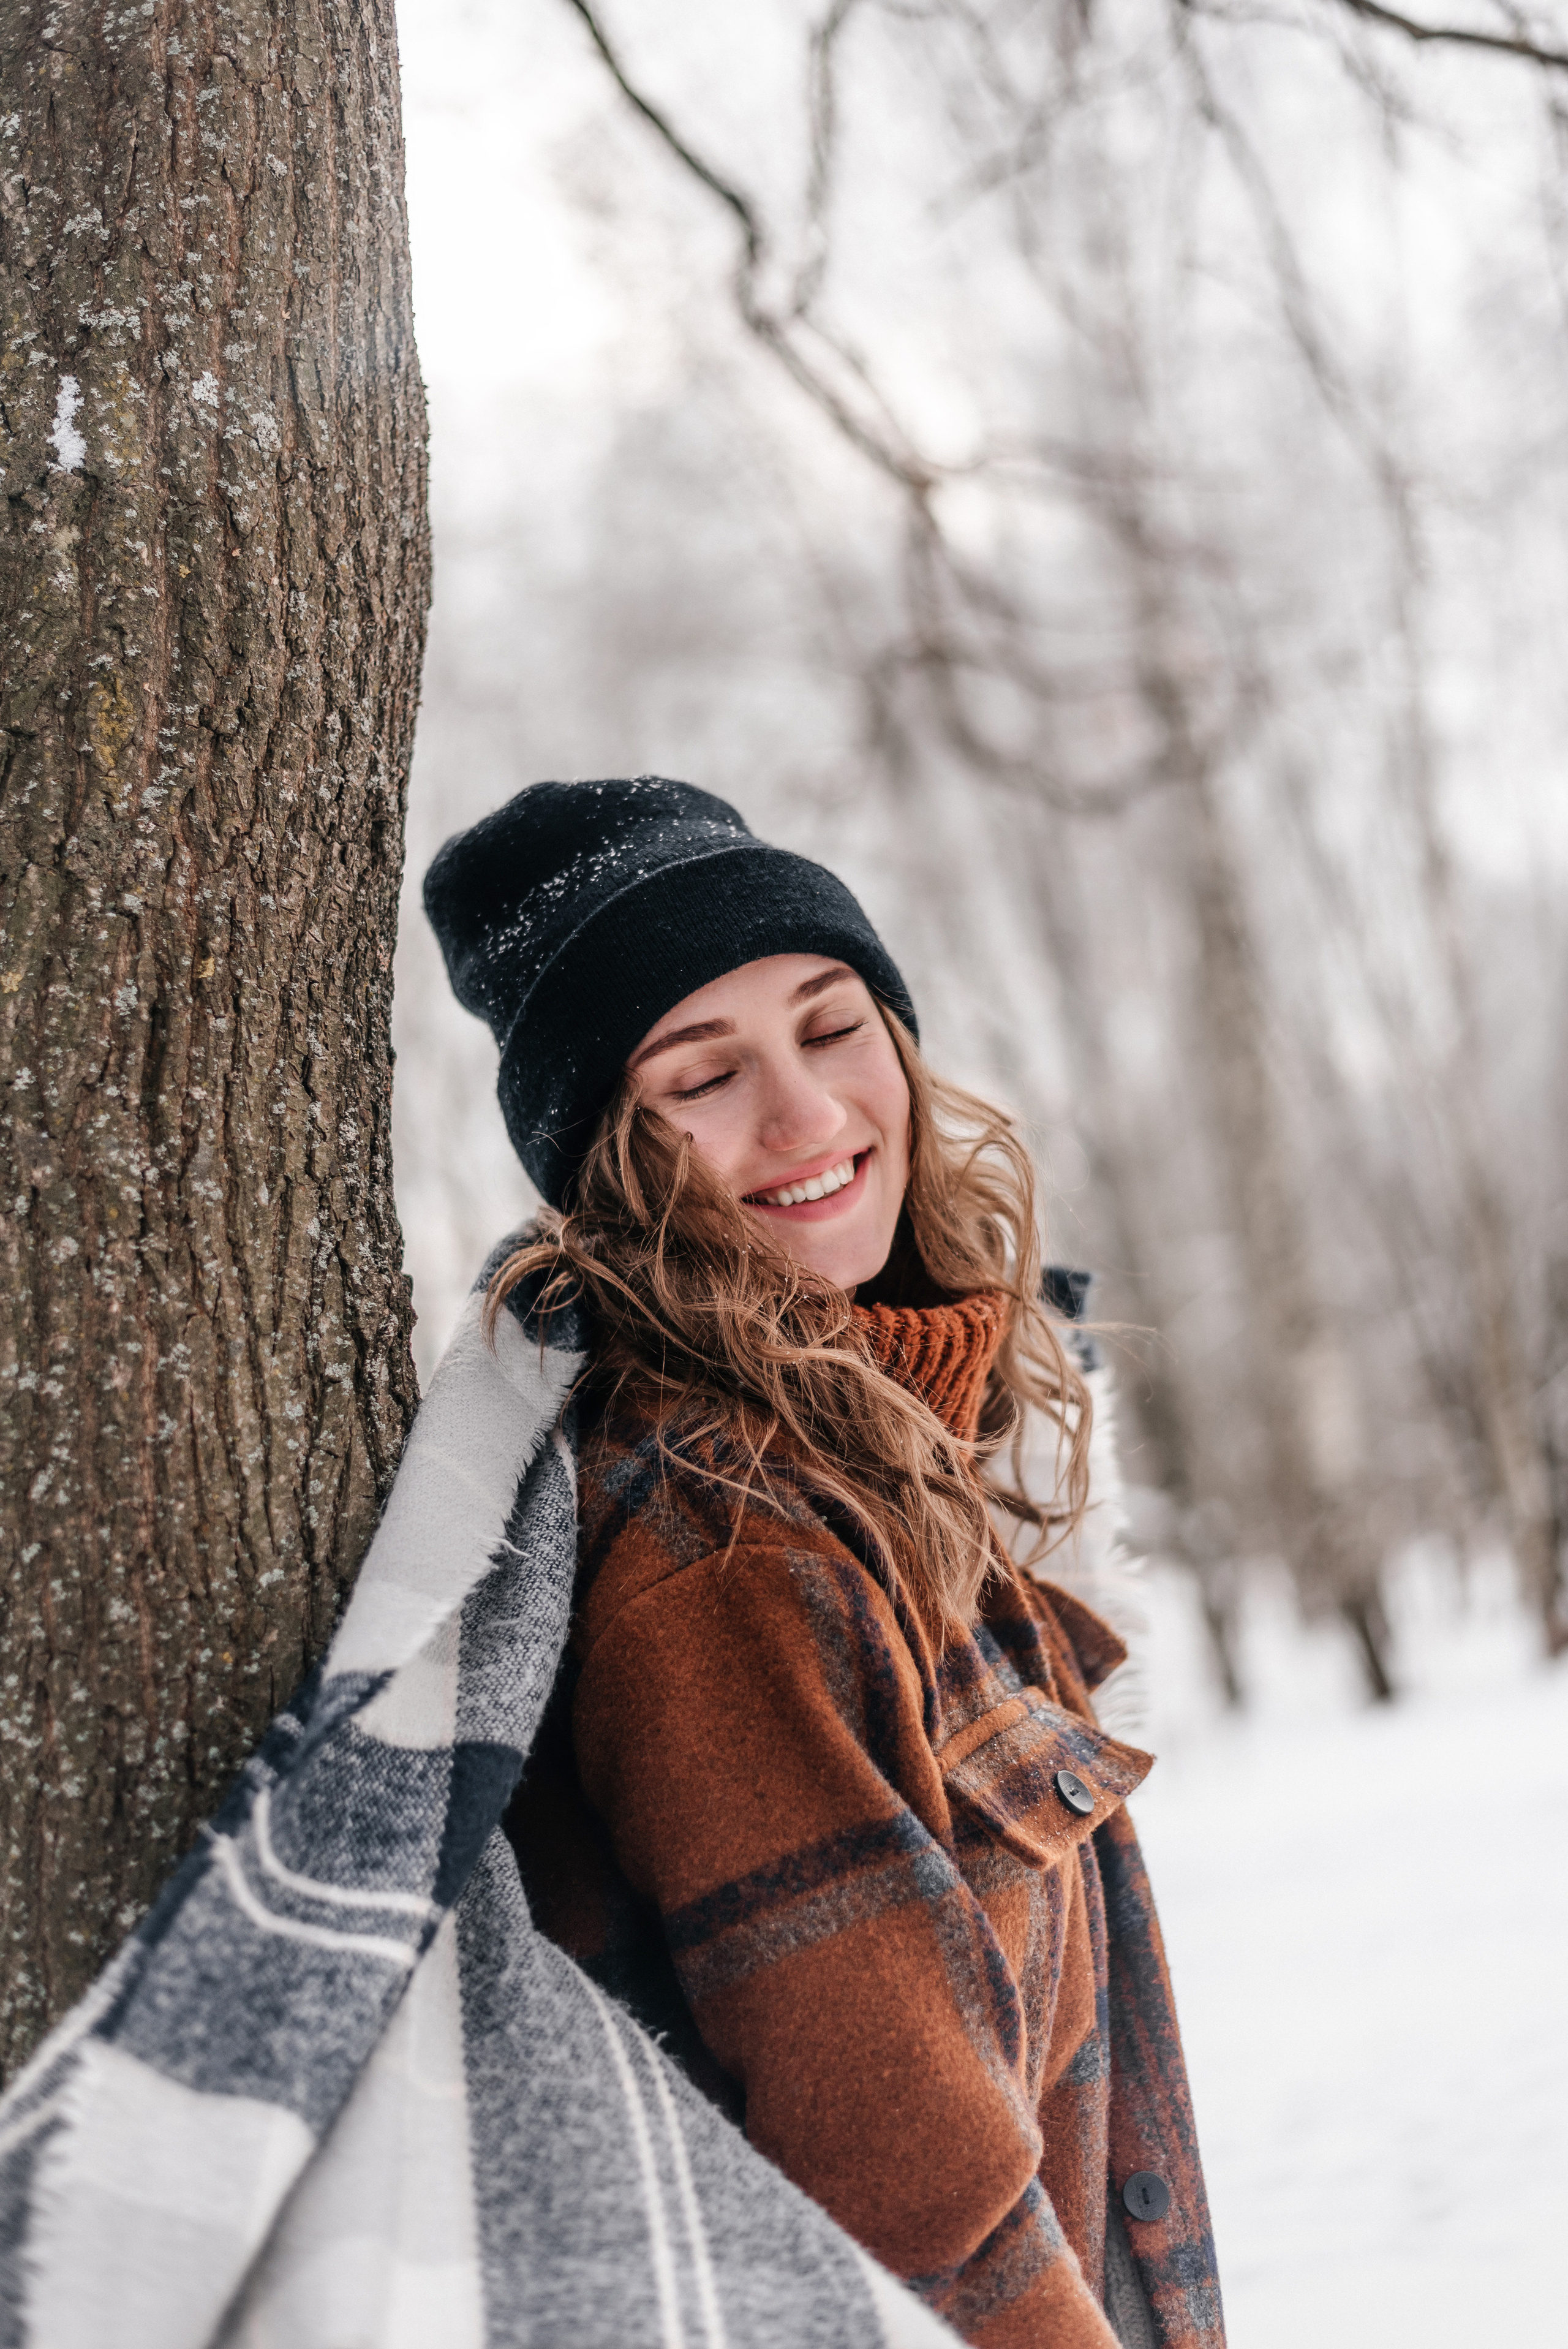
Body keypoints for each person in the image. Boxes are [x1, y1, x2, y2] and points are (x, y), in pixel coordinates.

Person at [422, 776, 1225, 2349]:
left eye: (831, 1025)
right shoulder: (728, 1539)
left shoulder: (885, 1451)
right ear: (604, 1161)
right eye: (700, 1079)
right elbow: (913, 2208)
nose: (804, 1119)